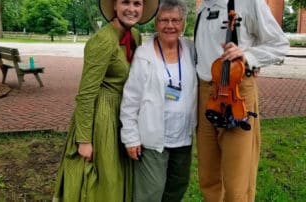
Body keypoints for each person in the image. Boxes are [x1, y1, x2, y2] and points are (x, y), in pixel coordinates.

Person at [52, 0, 158, 201]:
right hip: (103, 118)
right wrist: (84, 140)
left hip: (124, 114)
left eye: (137, 3)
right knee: (103, 181)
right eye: (125, 2)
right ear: (115, 6)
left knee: (119, 177)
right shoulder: (102, 40)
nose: (131, 9)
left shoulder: (134, 36)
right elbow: (86, 94)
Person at [194, 0, 289, 201]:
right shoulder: (203, 7)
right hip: (205, 94)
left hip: (236, 92)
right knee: (208, 176)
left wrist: (248, 56)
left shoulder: (250, 2)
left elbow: (279, 43)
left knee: (237, 180)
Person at [120, 0, 198, 201]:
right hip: (153, 139)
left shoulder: (191, 49)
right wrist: (131, 137)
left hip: (183, 139)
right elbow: (130, 99)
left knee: (176, 189)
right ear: (156, 23)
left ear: (183, 23)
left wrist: (247, 60)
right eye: (164, 20)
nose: (169, 25)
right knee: (150, 194)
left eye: (175, 20)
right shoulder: (144, 54)